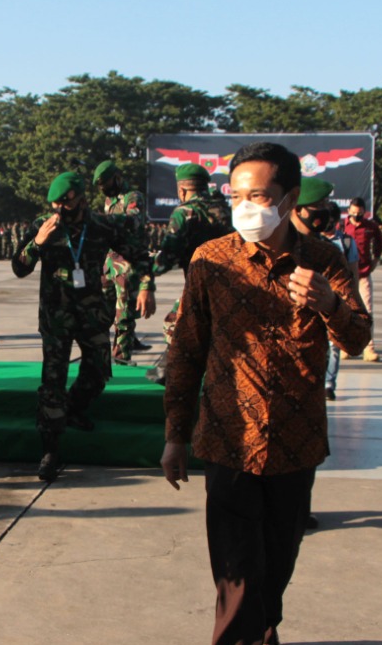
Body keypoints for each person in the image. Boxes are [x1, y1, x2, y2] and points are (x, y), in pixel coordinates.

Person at [161, 142, 370, 645]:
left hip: (295, 443)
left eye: (258, 197)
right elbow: (186, 351)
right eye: (237, 195)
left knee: (274, 570)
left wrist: (329, 306)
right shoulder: (211, 260)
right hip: (227, 440)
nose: (246, 207)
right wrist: (176, 433)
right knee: (237, 583)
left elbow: (358, 339)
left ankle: (267, 626)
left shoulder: (326, 260)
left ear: (286, 199)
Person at [12, 171, 155, 482]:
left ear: (80, 198)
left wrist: (146, 286)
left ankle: (73, 408)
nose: (59, 210)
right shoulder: (43, 225)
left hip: (91, 312)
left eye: (65, 203)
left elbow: (139, 254)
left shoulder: (103, 225)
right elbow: (19, 267)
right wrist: (37, 244)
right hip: (56, 316)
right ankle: (50, 448)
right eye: (54, 204)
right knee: (53, 380)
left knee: (99, 369)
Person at [145, 163, 233, 385]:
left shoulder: (184, 213)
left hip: (200, 283)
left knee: (175, 324)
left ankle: (169, 372)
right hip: (230, 282)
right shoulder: (223, 208)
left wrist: (145, 268)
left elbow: (168, 257)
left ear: (181, 190)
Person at [290, 182, 358, 403]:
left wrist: (331, 305)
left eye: (327, 204)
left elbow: (358, 329)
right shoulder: (268, 249)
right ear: (296, 208)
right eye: (318, 205)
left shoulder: (329, 255)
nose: (325, 210)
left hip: (312, 364)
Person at [92, 160, 147, 364]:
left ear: (116, 178)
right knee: (100, 310)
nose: (103, 189)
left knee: (123, 314)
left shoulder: (133, 197)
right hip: (109, 264)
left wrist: (104, 222)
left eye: (105, 184)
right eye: (100, 186)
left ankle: (122, 358)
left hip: (127, 263)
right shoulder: (109, 201)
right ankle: (99, 355)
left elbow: (134, 219)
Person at [343, 197, 382, 362]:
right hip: (345, 275)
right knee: (344, 311)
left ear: (364, 212)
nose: (356, 216)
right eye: (353, 213)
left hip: (363, 273)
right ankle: (345, 346)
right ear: (349, 211)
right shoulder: (341, 226)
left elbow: (379, 243)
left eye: (359, 213)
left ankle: (369, 348)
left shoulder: (370, 227)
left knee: (367, 311)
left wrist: (375, 260)